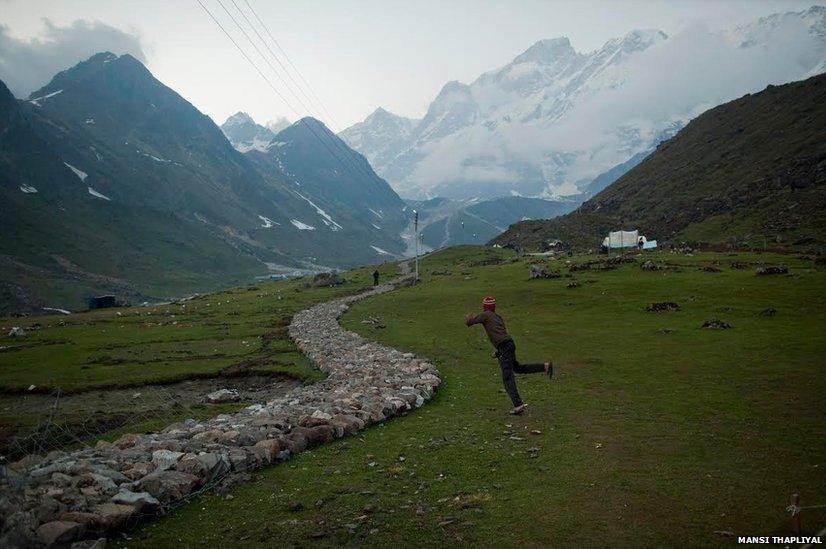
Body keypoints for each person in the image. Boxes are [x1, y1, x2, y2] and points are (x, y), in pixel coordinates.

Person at [465, 296, 552, 415]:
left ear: (485, 307)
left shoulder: (485, 315)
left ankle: (518, 405)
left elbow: (470, 323)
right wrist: (498, 352)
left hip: (505, 347)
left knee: (507, 378)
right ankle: (544, 366)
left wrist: (469, 317)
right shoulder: (497, 317)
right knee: (518, 368)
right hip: (509, 344)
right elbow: (501, 334)